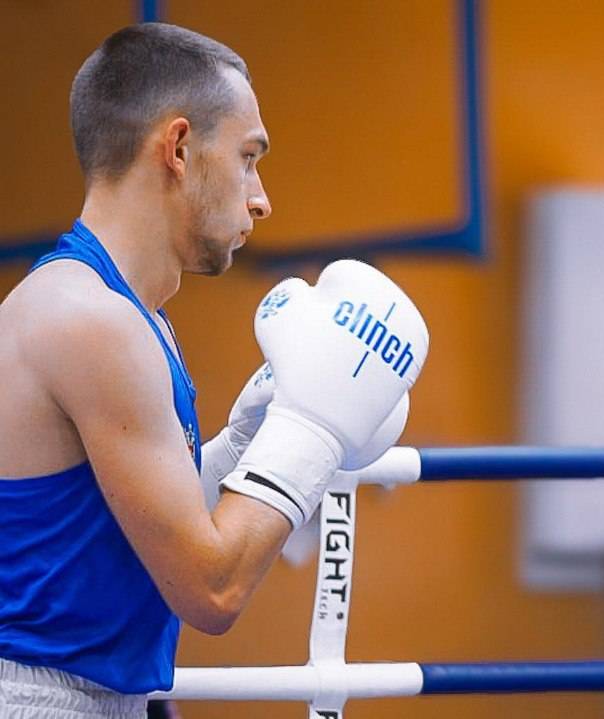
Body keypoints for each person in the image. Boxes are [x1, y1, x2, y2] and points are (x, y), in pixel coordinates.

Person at [0, 23, 427, 717]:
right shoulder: (89, 321)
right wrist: (309, 430)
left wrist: (244, 446)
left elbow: (140, 535)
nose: (260, 198)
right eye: (247, 157)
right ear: (177, 148)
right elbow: (210, 588)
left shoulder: (132, 318)